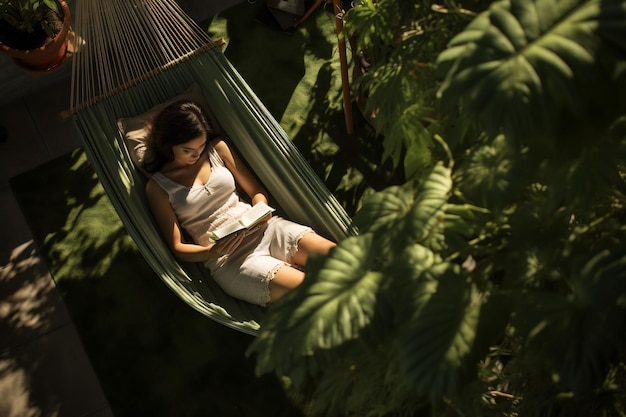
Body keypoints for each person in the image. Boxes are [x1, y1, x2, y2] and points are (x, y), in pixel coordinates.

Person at [143, 100, 336, 306]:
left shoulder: (217, 150)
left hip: (265, 228)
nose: (197, 153)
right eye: (187, 150)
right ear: (168, 145)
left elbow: (257, 192)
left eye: (201, 145)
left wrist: (261, 208)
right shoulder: (159, 187)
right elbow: (177, 247)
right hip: (230, 259)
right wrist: (211, 252)